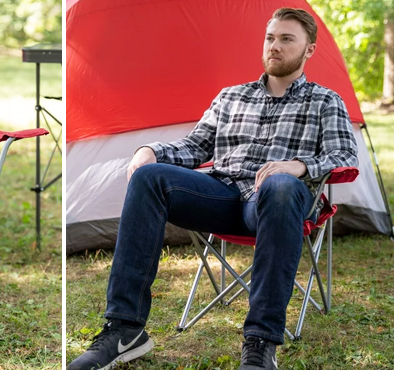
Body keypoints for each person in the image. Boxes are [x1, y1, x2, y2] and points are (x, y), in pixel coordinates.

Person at [67, 7, 358, 370]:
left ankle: (260, 343)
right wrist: (150, 150)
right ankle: (125, 330)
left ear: (309, 50)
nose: (275, 47)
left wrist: (298, 166)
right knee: (149, 176)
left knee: (282, 186)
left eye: (287, 39)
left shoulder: (325, 100)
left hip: (276, 204)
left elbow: (345, 155)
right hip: (221, 197)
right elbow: (195, 147)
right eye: (270, 38)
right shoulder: (231, 96)